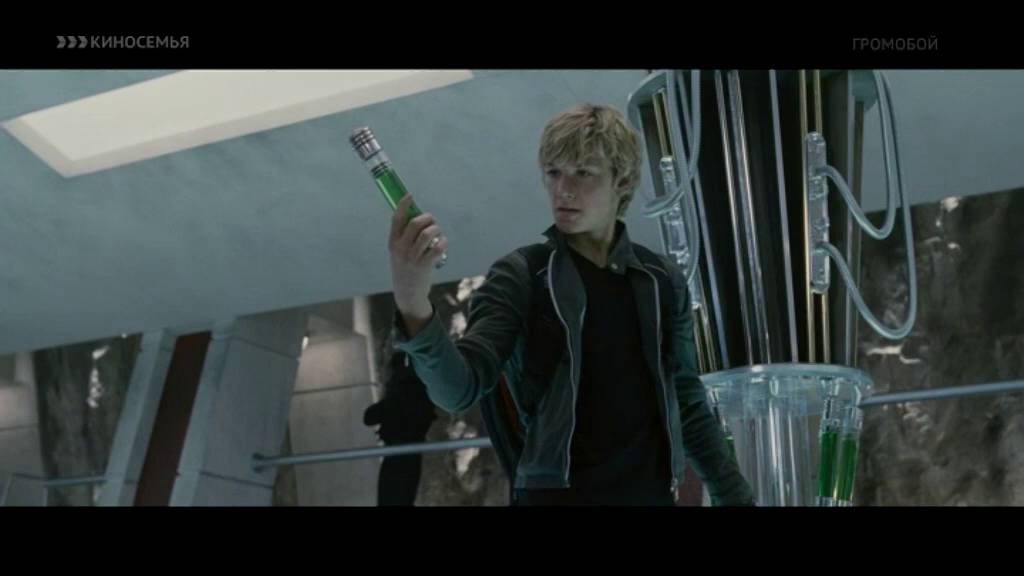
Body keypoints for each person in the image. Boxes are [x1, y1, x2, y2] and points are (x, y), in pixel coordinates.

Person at [387, 103, 754, 506]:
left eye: (583, 172)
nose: (563, 188)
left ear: (622, 180)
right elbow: (459, 389)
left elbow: (687, 404)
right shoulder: (522, 274)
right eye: (553, 172)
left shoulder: (661, 279)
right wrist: (411, 299)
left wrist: (736, 497)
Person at [363, 350, 438, 506]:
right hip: (412, 456)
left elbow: (369, 417)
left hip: (396, 457)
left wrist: (387, 398)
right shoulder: (423, 394)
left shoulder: (399, 396)